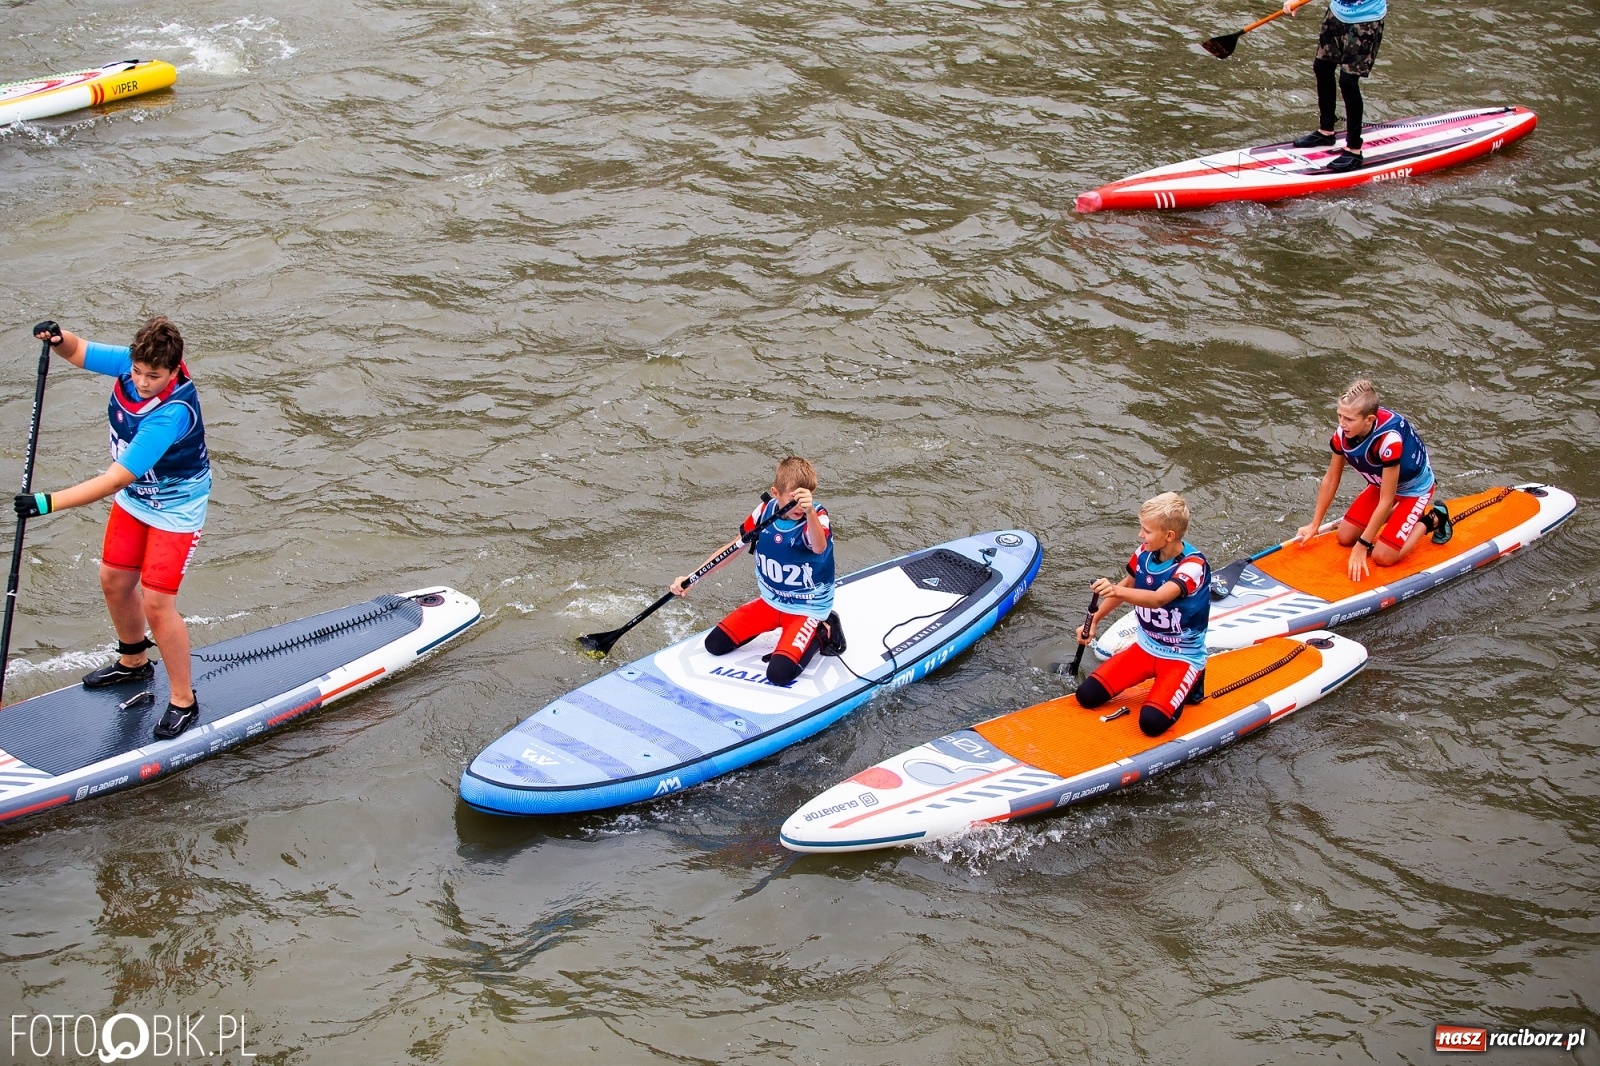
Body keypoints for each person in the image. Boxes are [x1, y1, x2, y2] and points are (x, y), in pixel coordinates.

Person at [14, 318, 211, 739]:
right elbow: (78, 351)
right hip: (137, 499)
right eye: (137, 371)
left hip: (175, 510)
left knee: (157, 604)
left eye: (153, 376)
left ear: (174, 370)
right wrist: (59, 339)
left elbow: (115, 479)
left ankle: (183, 700)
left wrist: (47, 503)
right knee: (114, 581)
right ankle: (134, 662)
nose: (141, 382)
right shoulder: (130, 363)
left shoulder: (172, 413)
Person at [671, 457, 841, 687]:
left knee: (778, 675)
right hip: (770, 603)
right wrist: (694, 577)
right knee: (714, 645)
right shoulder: (763, 511)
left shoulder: (817, 516)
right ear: (776, 493)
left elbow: (819, 547)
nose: (800, 506)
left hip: (806, 608)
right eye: (794, 499)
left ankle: (823, 630)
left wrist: (810, 512)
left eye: (806, 497)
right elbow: (733, 548)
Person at [1074, 492, 1210, 739]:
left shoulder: (1193, 566)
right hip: (1145, 649)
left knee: (1150, 723)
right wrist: (1095, 620)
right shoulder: (1144, 553)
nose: (1140, 535)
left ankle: (1193, 680)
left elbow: (1158, 599)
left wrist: (1115, 590)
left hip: (1182, 656)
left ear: (1169, 536)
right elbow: (1127, 585)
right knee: (1086, 696)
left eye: (1146, 531)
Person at [1296, 378, 1451, 582]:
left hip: (1414, 490)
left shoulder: (1389, 441)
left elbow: (1386, 500)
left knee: (1382, 556)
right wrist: (1314, 524)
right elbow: (1331, 478)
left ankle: (1433, 519)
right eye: (1339, 415)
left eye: (1349, 419)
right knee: (1344, 537)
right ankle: (1402, 516)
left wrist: (1363, 544)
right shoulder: (1342, 433)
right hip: (1382, 484)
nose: (1342, 424)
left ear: (1368, 419)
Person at [1284, 0, 1387, 173]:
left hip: (1366, 20)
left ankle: (1354, 149)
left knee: (1348, 81)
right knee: (1322, 67)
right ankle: (1326, 132)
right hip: (1336, 14)